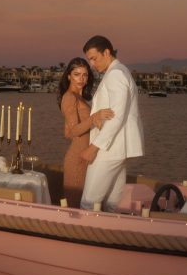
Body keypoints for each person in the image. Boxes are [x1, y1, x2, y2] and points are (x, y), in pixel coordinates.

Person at [80, 35, 144, 211]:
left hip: (108, 148)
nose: (92, 64)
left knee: (89, 201)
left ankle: (85, 236)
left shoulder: (116, 74)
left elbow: (117, 116)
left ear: (107, 52)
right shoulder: (120, 71)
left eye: (94, 58)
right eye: (89, 60)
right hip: (117, 148)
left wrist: (93, 148)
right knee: (112, 202)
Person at [58, 57, 113, 209]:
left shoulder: (79, 98)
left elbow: (68, 133)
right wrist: (94, 118)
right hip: (77, 159)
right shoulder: (69, 97)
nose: (81, 79)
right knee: (75, 207)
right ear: (69, 76)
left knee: (81, 206)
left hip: (85, 156)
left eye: (85, 75)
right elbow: (75, 131)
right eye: (77, 74)